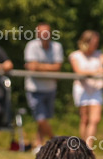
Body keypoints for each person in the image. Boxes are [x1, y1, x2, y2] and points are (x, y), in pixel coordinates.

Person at [69, 31, 103, 146]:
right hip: (82, 89)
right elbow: (78, 71)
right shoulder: (75, 55)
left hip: (96, 89)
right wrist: (96, 72)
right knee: (85, 119)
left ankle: (89, 146)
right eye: (94, 42)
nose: (96, 45)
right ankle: (82, 145)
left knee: (95, 119)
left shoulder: (99, 55)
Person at [23, 22, 65, 151]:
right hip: (34, 88)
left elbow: (57, 67)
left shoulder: (57, 47)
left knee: (44, 119)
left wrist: (39, 67)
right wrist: (49, 68)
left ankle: (39, 144)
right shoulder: (31, 45)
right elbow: (31, 66)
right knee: (40, 118)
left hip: (50, 88)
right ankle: (56, 140)